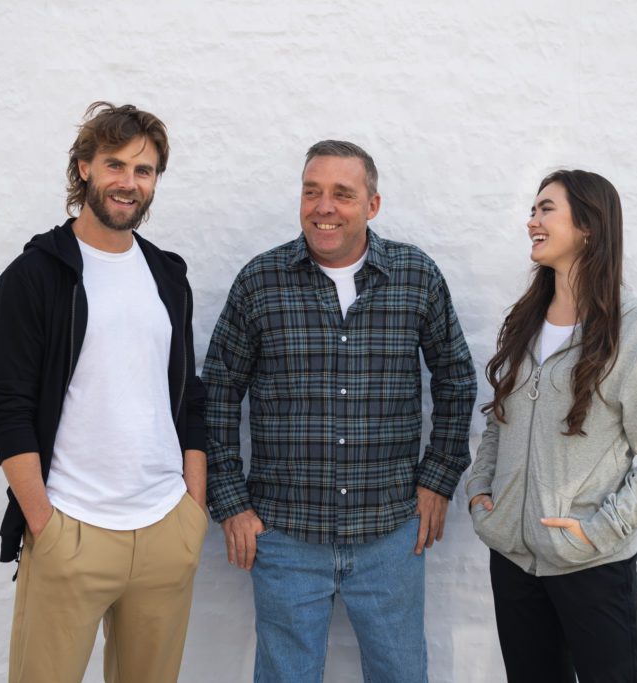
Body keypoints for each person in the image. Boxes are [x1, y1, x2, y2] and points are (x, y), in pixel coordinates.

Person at [202, 140, 477, 682]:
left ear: (372, 205)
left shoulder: (415, 276)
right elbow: (216, 393)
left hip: (390, 533)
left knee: (401, 674)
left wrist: (438, 479)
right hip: (285, 534)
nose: (323, 207)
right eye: (312, 192)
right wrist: (231, 503)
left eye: (342, 194)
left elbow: (456, 379)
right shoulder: (261, 281)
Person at [0, 101, 208, 683]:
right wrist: (43, 522)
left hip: (165, 530)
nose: (129, 182)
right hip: (71, 529)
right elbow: (4, 401)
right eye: (115, 164)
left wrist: (192, 510)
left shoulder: (168, 275)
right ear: (84, 168)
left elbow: (188, 396)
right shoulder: (36, 275)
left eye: (144, 169)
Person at [466, 169, 637, 682]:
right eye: (532, 210)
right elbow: (501, 422)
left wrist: (597, 532)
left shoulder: (635, 330)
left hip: (592, 565)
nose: (532, 221)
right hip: (514, 561)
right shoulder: (525, 320)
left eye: (546, 209)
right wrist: (481, 494)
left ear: (588, 226)